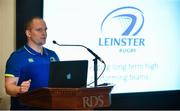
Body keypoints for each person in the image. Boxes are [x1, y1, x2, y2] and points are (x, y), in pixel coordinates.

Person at [4, 16, 60, 109]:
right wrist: (20, 89)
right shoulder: (17, 57)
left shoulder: (53, 55)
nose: (44, 33)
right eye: (39, 30)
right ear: (28, 33)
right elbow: (9, 87)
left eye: (45, 30)